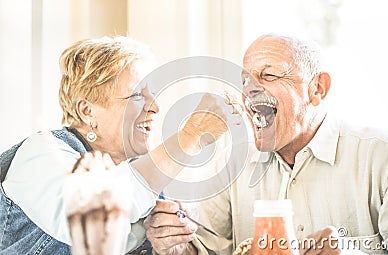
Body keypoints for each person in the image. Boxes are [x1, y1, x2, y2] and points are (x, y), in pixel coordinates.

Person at [144, 33, 388, 254]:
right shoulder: (231, 163)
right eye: (245, 81)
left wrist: (350, 253)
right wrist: (176, 247)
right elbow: (206, 250)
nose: (250, 90)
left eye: (267, 75)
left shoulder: (387, 159)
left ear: (318, 88)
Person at [0, 36, 234, 254]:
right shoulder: (42, 155)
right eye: (137, 95)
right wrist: (189, 136)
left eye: (152, 94)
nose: (155, 107)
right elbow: (92, 219)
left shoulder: (147, 183)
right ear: (87, 111)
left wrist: (169, 245)